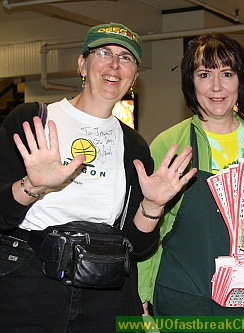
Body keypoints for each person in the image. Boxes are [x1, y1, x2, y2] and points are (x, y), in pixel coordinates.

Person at [0, 22, 196, 332]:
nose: (114, 65)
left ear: (133, 76)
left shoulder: (133, 145)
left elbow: (138, 247)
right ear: (82, 64)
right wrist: (33, 186)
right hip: (29, 285)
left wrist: (153, 206)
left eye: (126, 58)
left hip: (103, 292)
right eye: (104, 52)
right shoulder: (33, 120)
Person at [137, 32, 244, 319]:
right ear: (190, 82)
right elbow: (150, 232)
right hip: (186, 301)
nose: (216, 87)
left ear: (241, 81)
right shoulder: (170, 145)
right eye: (204, 74)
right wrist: (141, 296)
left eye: (227, 73)